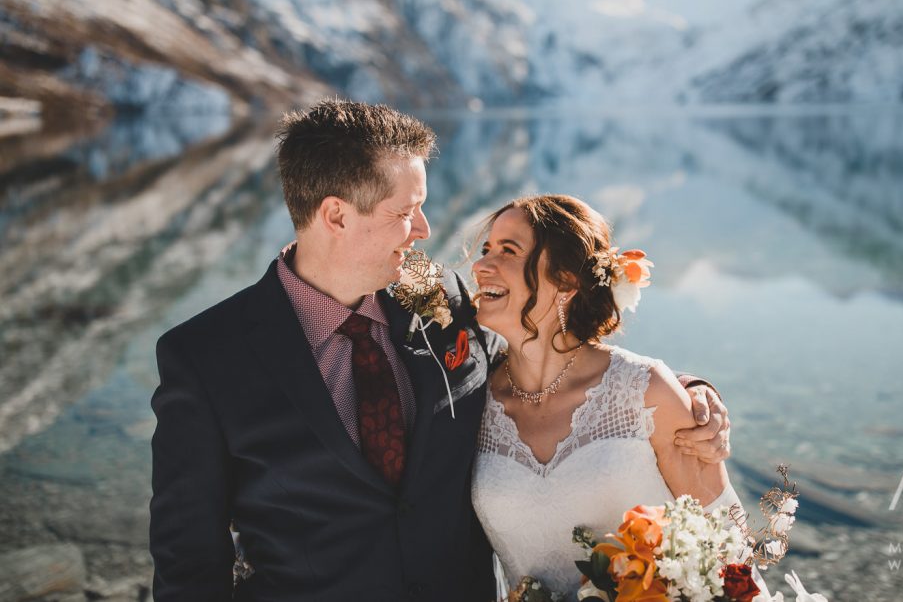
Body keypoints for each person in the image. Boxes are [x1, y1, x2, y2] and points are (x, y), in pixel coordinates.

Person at [149, 99, 730, 601]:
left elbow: (543, 362)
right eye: (405, 212)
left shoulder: (444, 297)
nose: (424, 229)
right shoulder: (205, 357)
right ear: (335, 216)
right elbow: (188, 560)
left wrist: (684, 396)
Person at [471, 195, 743, 597]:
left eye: (508, 251)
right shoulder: (470, 398)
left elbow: (727, 546)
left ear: (565, 279)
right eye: (485, 250)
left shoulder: (645, 392)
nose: (480, 266)